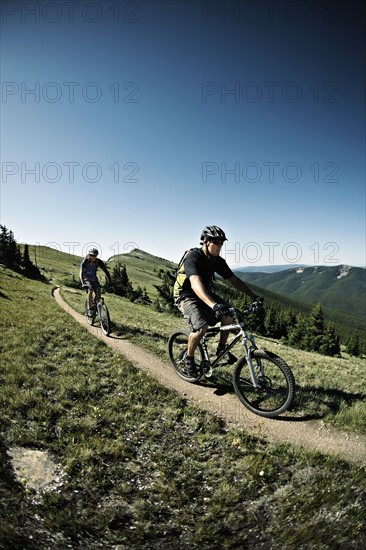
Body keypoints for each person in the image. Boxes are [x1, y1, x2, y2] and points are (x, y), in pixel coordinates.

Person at [173, 226, 259, 377]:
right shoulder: (194, 257)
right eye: (216, 243)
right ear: (205, 242)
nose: (219, 246)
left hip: (203, 293)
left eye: (221, 243)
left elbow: (234, 280)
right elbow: (195, 283)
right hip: (185, 295)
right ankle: (189, 358)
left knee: (228, 314)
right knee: (201, 328)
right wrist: (213, 305)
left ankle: (221, 349)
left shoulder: (217, 261)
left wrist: (253, 296)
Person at [79, 248, 112, 314]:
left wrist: (110, 280)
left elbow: (106, 271)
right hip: (86, 278)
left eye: (95, 255)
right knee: (90, 290)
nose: (94, 257)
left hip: (94, 278)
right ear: (89, 255)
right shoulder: (85, 261)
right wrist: (83, 283)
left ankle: (96, 307)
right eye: (92, 255)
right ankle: (90, 309)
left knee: (98, 294)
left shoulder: (98, 261)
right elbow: (81, 272)